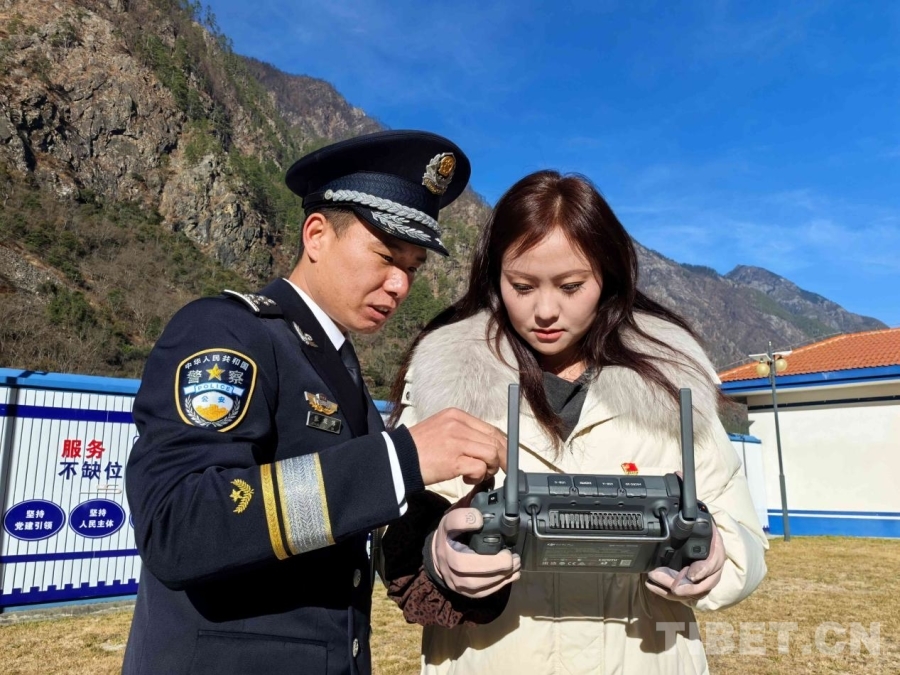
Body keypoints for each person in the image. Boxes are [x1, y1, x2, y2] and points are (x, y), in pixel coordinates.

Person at [122, 130, 508, 675]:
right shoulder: (228, 332)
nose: (400, 285)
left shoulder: (339, 373)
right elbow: (179, 525)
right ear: (317, 235)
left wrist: (444, 542)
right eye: (385, 256)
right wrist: (401, 459)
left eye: (412, 268)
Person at [381, 170, 769, 674]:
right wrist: (435, 554)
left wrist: (715, 556)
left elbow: (744, 546)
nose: (545, 310)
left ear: (607, 275)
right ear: (494, 277)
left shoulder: (675, 385)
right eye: (522, 286)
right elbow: (388, 533)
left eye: (571, 286)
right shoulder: (442, 381)